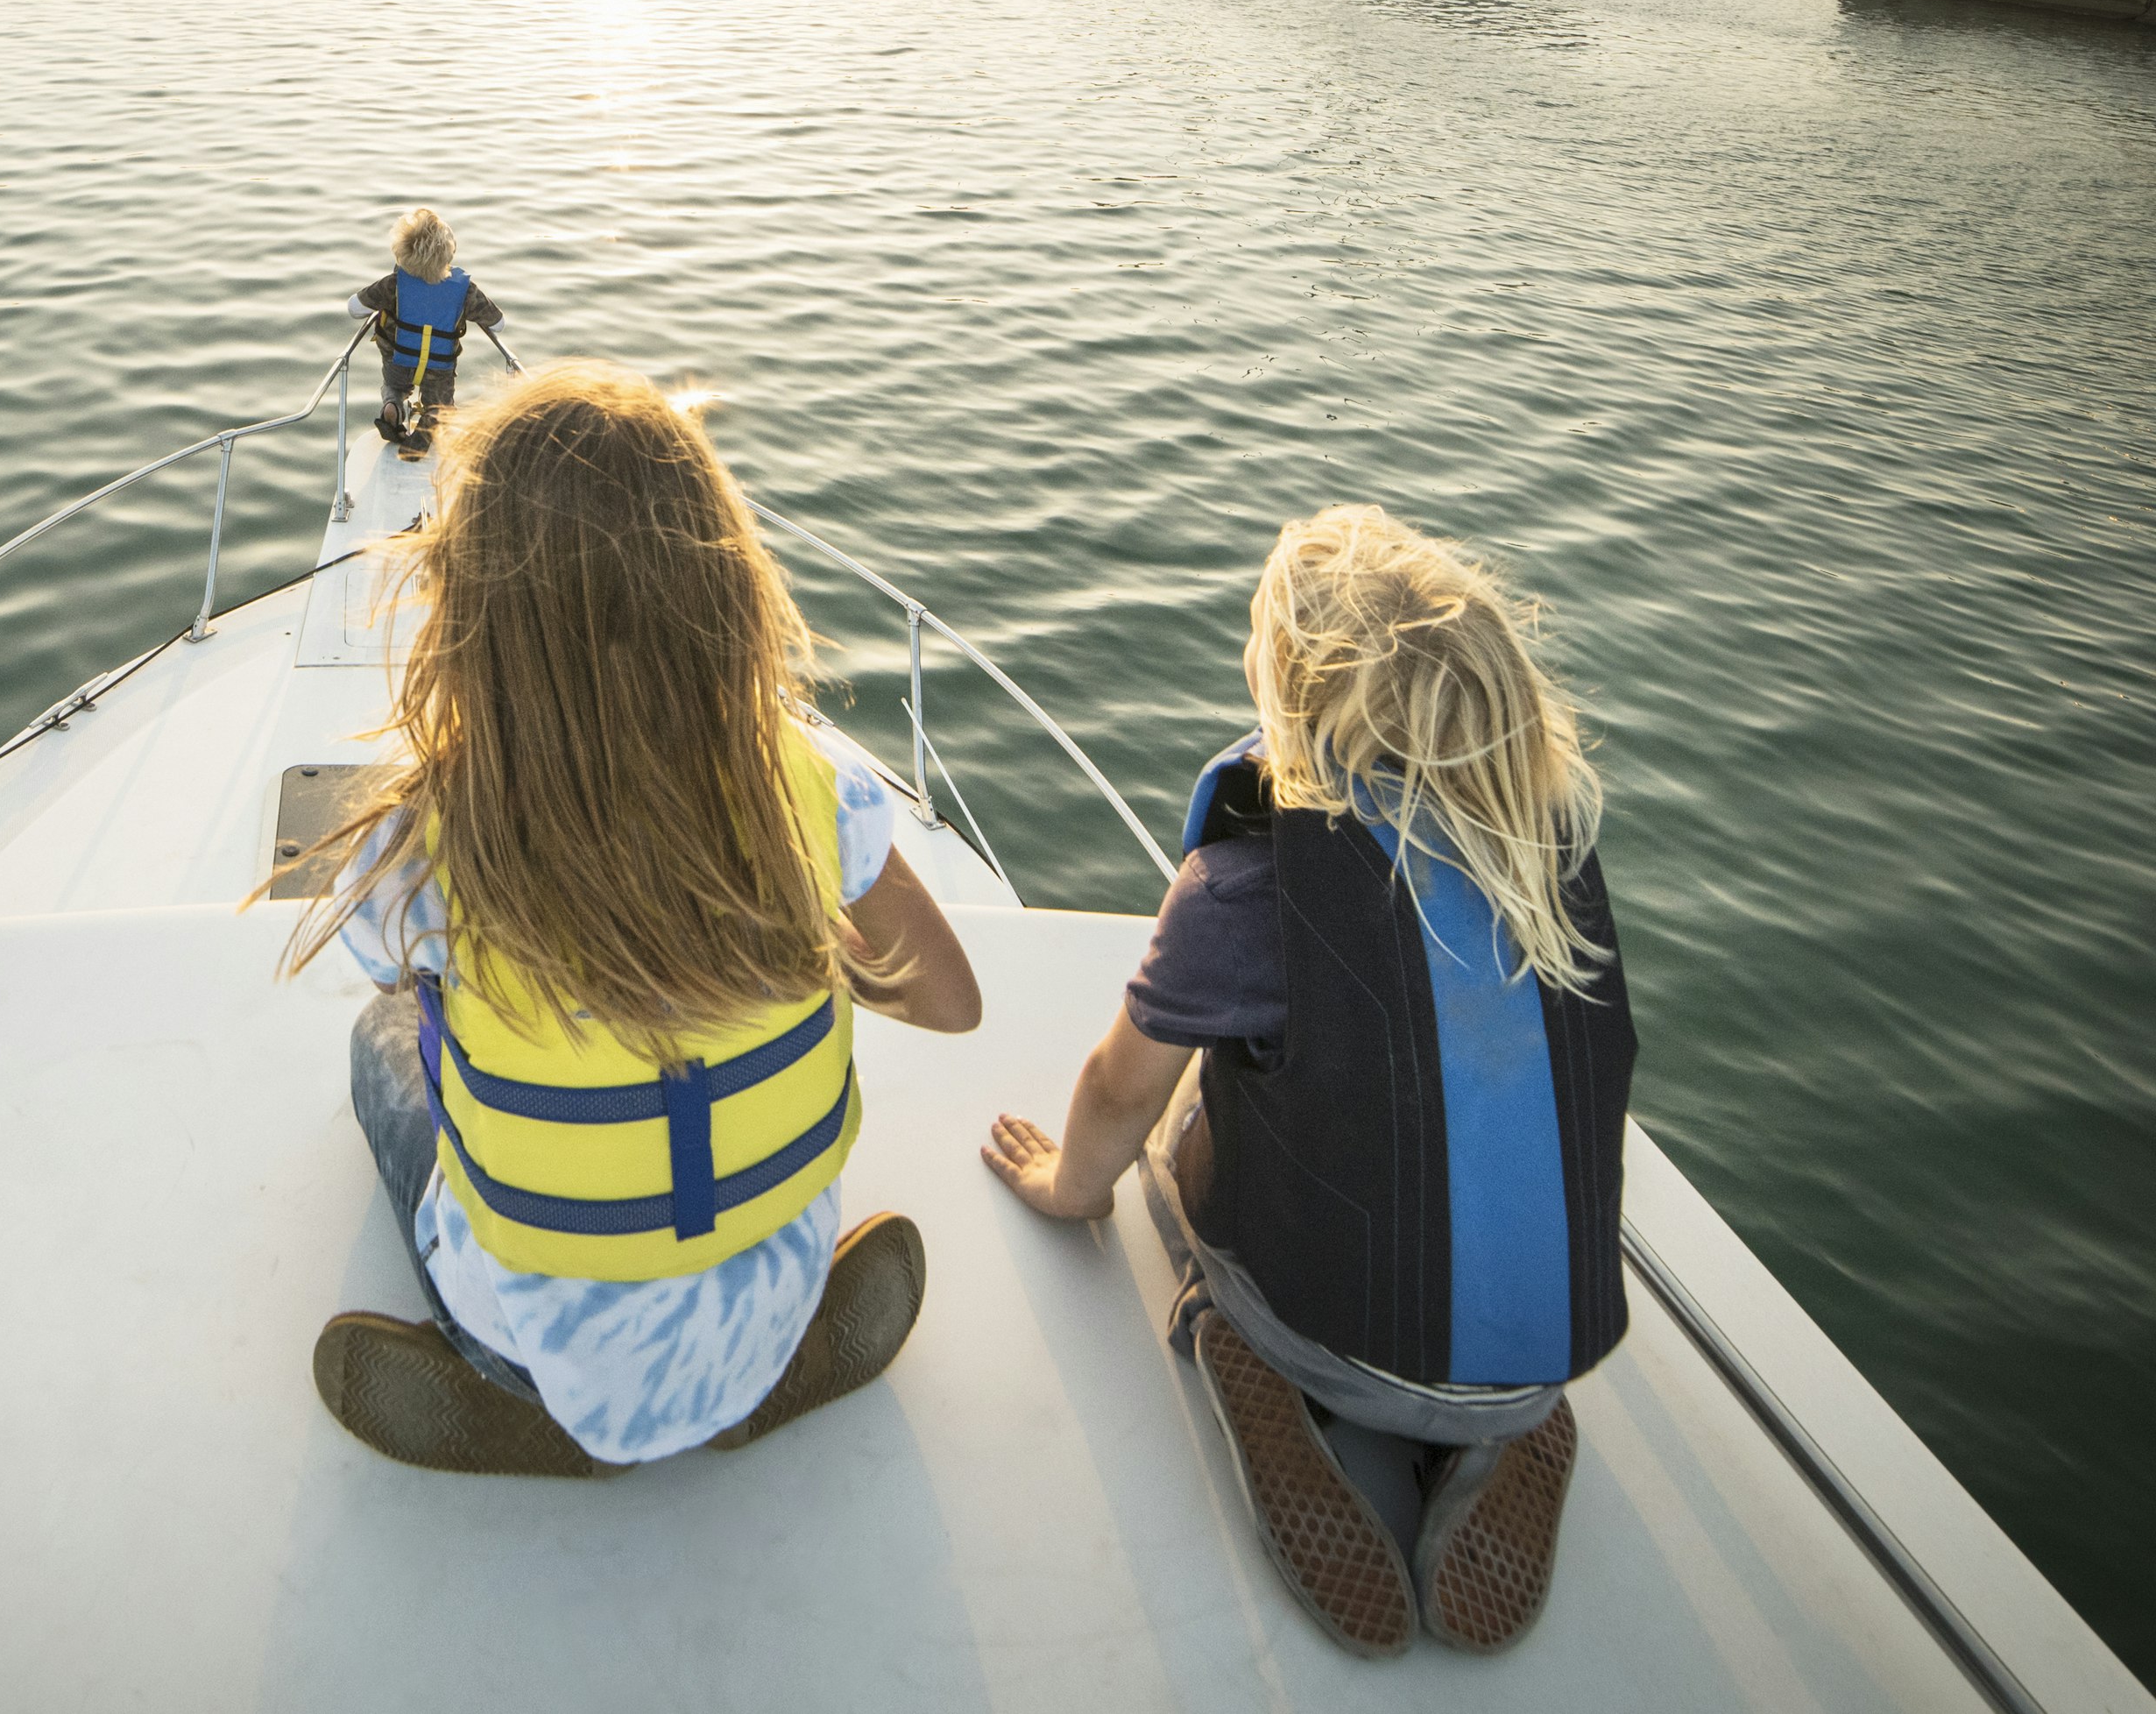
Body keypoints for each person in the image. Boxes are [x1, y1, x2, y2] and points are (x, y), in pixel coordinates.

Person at [281, 363, 982, 1475]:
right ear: (721, 587)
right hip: (774, 1296)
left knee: (380, 1047)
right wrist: (751, 937)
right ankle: (751, 1376)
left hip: (527, 1340)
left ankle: (529, 1399)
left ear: (474, 612)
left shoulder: (423, 844)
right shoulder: (811, 787)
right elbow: (953, 1004)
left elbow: (391, 980)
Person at [982, 506, 1635, 1661]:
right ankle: (1502, 1425)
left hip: (1330, 1340)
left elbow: (1120, 1091)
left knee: (1177, 1135)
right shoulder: (1555, 858)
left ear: (1293, 701)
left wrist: (1068, 1185)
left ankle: (1247, 1349)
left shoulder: (1252, 886)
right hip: (1547, 1361)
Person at [346, 206, 501, 454]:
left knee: (393, 387)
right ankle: (430, 423)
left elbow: (354, 308)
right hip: (438, 368)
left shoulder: (393, 284)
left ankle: (393, 405)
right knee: (441, 405)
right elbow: (497, 323)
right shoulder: (465, 290)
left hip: (399, 363)